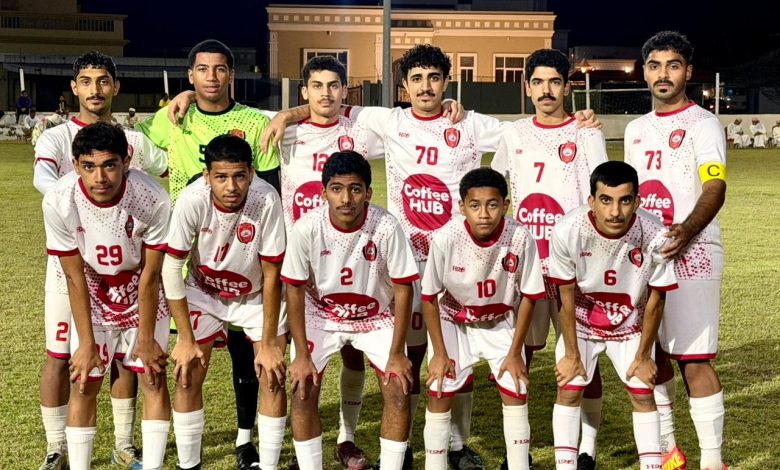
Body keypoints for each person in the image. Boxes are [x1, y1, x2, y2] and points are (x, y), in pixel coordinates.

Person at [136, 38, 280, 468]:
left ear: (231, 74)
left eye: (219, 69)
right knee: (188, 365)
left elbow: (267, 182)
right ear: (190, 75)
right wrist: (177, 101)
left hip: (245, 254)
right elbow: (130, 143)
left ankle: (246, 441)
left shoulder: (254, 122)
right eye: (202, 70)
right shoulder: (173, 116)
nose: (211, 77)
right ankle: (187, 459)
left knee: (251, 360)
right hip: (195, 256)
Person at [33, 50, 168, 470]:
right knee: (63, 356)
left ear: (115, 86)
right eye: (87, 81)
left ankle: (124, 444)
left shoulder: (135, 141)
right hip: (74, 266)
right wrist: (85, 204)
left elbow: (171, 166)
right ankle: (58, 448)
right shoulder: (56, 137)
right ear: (74, 87)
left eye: (103, 80)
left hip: (127, 267)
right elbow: (43, 179)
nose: (96, 89)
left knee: (129, 358)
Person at [490, 49, 608, 468]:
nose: (546, 90)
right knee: (520, 354)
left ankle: (587, 449)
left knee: (583, 354)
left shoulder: (586, 132)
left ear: (567, 87)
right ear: (527, 87)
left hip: (575, 266)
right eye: (538, 82)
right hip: (525, 266)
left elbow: (601, 196)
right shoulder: (514, 134)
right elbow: (496, 189)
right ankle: (517, 451)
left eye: (554, 82)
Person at [625, 30, 729, 470]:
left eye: (672, 65)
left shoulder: (703, 124)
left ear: (688, 71)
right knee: (653, 354)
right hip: (644, 256)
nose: (663, 74)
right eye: (655, 66)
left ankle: (712, 461)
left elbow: (715, 187)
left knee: (694, 358)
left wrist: (686, 231)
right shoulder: (635, 129)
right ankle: (670, 450)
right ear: (644, 72)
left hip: (695, 253)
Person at [282, 151, 419, 470]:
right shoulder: (307, 227)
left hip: (376, 317)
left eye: (355, 189)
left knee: (399, 389)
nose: (346, 199)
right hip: (322, 314)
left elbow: (403, 288)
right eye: (337, 189)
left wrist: (397, 353)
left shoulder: (386, 226)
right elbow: (294, 289)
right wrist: (301, 354)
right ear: (323, 192)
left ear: (368, 192)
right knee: (302, 389)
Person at [162, 135, 287, 470]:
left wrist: (269, 343)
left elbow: (272, 274)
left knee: (272, 374)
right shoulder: (192, 199)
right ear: (207, 176)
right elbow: (171, 267)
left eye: (239, 176)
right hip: (204, 292)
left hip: (254, 296)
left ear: (251, 172)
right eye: (221, 177)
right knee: (187, 373)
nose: (231, 186)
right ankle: (189, 465)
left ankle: (269, 465)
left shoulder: (266, 198)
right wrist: (185, 338)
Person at [550, 161, 677, 470]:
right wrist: (571, 354)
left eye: (625, 201)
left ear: (637, 201)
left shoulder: (657, 235)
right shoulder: (567, 230)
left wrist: (644, 355)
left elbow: (656, 299)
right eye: (606, 200)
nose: (615, 212)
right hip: (582, 323)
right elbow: (565, 299)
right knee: (569, 388)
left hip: (630, 324)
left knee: (643, 394)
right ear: (591, 201)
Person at [421, 167, 544, 470]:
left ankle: (519, 465)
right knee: (440, 386)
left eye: (492, 204)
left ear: (506, 205)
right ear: (462, 207)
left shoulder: (520, 237)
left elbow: (530, 296)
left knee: (517, 388)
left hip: (499, 320)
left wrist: (515, 352)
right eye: (475, 205)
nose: (484, 214)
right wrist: (439, 353)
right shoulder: (446, 238)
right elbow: (429, 297)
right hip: (454, 320)